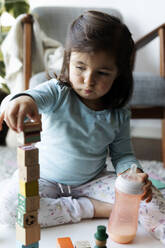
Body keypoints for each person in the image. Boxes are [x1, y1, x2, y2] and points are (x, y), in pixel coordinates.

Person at [0, 10, 164, 243]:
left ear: (119, 74)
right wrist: (21, 100)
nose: (88, 80)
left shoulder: (118, 112)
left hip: (92, 181)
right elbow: (23, 97)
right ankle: (91, 208)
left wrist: (133, 173)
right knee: (9, 207)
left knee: (151, 199)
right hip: (43, 179)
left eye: (102, 72)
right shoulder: (58, 91)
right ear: (68, 61)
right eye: (80, 67)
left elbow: (123, 154)